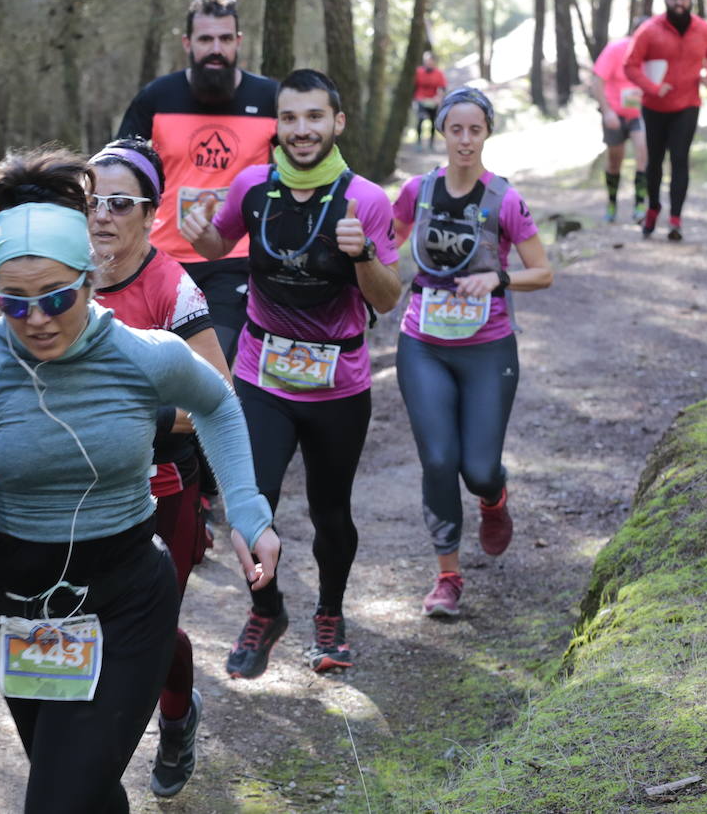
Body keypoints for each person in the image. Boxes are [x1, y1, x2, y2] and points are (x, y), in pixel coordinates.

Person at [0, 174, 280, 813]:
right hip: (18, 607)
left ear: (89, 281)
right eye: (13, 302)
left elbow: (218, 404)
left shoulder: (146, 354)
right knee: (82, 792)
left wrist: (249, 508)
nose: (35, 319)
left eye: (55, 297)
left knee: (57, 799)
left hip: (127, 598)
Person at [181, 69, 401, 679]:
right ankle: (267, 608)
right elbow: (216, 243)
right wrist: (203, 238)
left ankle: (329, 617)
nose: (301, 130)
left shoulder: (368, 201)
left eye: (313, 117)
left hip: (340, 381)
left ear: (337, 122)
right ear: (276, 125)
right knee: (252, 503)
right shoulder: (252, 185)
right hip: (263, 374)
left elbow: (385, 299)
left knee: (332, 512)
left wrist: (361, 257)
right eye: (290, 118)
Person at [87, 137, 229, 797]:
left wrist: (135, 416)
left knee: (147, 623)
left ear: (151, 213)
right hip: (76, 482)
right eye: (90, 201)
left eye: (120, 203)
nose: (102, 216)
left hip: (162, 483)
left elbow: (214, 398)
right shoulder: (60, 275)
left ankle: (174, 717)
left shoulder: (172, 286)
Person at [390, 87, 553, 618]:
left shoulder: (503, 199)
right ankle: (448, 578)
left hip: (487, 347)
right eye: (455, 129)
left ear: (487, 133)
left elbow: (543, 271)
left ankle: (493, 497)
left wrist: (498, 278)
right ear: (442, 131)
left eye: (474, 130)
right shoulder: (417, 191)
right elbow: (386, 247)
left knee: (479, 468)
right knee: (439, 460)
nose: (464, 140)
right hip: (423, 344)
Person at [118, 0, 279, 362]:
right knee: (151, 369)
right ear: (188, 43)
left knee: (208, 369)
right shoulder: (157, 98)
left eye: (225, 39)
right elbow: (122, 171)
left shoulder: (269, 99)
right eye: (206, 39)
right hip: (162, 261)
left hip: (237, 262)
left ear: (238, 42)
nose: (216, 49)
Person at [623, 0, 707, 241]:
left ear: (691, 0)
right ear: (666, 0)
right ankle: (653, 207)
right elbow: (630, 65)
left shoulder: (703, 30)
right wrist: (653, 87)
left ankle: (676, 218)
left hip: (687, 105)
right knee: (654, 161)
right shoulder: (649, 30)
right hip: (654, 107)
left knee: (680, 159)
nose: (679, 3)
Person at [590, 21, 650, 223]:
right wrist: (607, 112)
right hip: (614, 114)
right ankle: (612, 202)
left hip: (639, 113)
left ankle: (640, 204)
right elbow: (597, 80)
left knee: (643, 153)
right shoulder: (615, 49)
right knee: (615, 160)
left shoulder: (653, 53)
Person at [413, 51, 448, 150]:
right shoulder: (418, 72)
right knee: (420, 119)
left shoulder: (438, 73)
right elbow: (413, 86)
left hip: (433, 100)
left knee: (433, 122)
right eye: (427, 61)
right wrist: (415, 99)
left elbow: (442, 87)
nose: (429, 63)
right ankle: (419, 142)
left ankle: (431, 144)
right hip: (421, 99)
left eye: (430, 61)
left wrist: (438, 98)